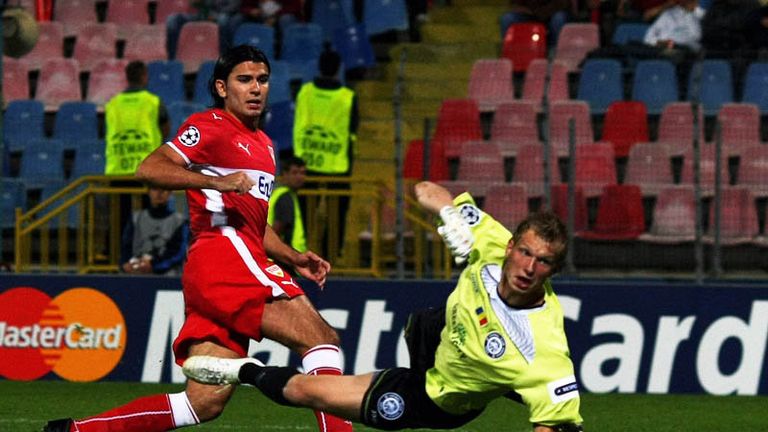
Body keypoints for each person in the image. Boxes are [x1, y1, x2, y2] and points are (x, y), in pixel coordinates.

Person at [43, 45, 352, 432]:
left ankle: (74, 430)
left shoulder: (267, 146)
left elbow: (254, 220)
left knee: (201, 403)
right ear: (222, 88)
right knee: (321, 340)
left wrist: (292, 256)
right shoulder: (210, 126)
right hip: (227, 258)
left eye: (262, 80)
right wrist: (212, 180)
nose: (255, 88)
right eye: (244, 80)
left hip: (224, 265)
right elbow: (149, 168)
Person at [182, 181, 585, 432]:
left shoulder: (543, 348)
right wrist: (450, 216)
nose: (529, 268)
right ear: (511, 246)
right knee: (427, 324)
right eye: (526, 253)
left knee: (309, 391)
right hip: (433, 335)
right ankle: (510, 384)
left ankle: (242, 371)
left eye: (544, 262)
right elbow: (425, 189)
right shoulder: (491, 240)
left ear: (554, 270)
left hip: (436, 397)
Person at [292, 45, 358, 258]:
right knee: (336, 215)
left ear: (318, 68)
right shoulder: (348, 97)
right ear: (338, 69)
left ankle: (301, 253)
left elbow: (298, 124)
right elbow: (353, 131)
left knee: (303, 214)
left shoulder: (305, 92)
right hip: (337, 166)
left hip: (306, 163)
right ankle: (331, 257)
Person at [104, 60, 170, 176]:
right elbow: (165, 129)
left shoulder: (112, 104)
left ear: (127, 77)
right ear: (144, 76)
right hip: (147, 168)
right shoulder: (153, 102)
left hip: (117, 170)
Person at [120, 186, 189, 276]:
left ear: (170, 193)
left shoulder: (179, 221)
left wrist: (153, 265)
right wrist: (125, 263)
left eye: (164, 190)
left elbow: (178, 252)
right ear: (149, 192)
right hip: (136, 272)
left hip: (168, 276)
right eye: (155, 189)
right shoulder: (136, 218)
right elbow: (126, 246)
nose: (159, 193)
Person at [268, 156, 308, 253]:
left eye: (302, 173)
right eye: (294, 173)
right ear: (284, 174)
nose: (299, 177)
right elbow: (279, 227)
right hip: (288, 255)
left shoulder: (280, 193)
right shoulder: (285, 196)